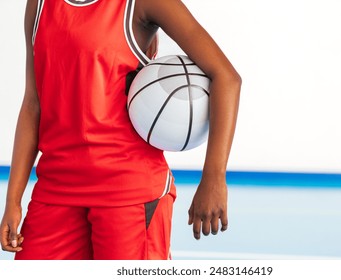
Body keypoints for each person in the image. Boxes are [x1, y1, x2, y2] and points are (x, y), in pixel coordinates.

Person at [0, 0, 241, 260]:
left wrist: (214, 178)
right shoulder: (39, 4)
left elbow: (226, 76)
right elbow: (33, 104)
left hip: (128, 191)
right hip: (56, 188)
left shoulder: (142, 3)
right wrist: (13, 199)